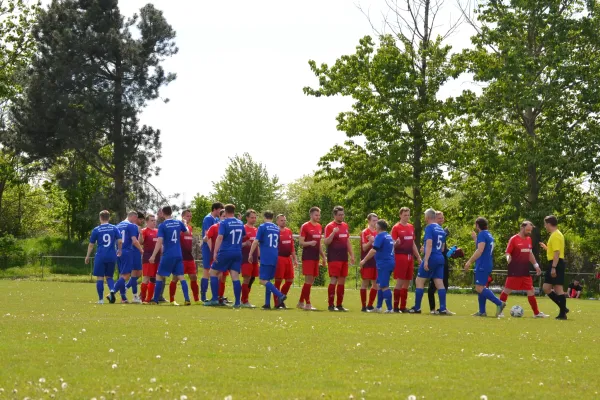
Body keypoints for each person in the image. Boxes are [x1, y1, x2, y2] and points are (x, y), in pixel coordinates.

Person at [499, 221, 548, 318]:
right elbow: (507, 252)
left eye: (530, 230)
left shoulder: (529, 239)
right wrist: (508, 259)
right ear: (522, 228)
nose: (529, 232)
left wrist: (536, 265)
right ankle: (499, 311)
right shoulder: (513, 239)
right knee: (507, 290)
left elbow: (530, 254)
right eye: (528, 230)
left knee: (531, 291)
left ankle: (536, 313)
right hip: (514, 270)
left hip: (525, 270)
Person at [408, 209, 450, 315]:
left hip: (432, 257)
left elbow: (430, 244)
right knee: (439, 282)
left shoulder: (429, 228)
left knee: (419, 281)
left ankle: (417, 307)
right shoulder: (441, 229)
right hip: (441, 257)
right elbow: (442, 248)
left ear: (427, 218)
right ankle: (443, 308)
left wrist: (426, 260)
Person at [148, 206, 192, 306]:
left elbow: (159, 241)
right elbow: (187, 232)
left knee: (159, 275)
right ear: (171, 212)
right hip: (178, 254)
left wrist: (153, 255)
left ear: (163, 214)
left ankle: (155, 300)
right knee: (181, 277)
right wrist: (184, 223)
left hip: (168, 254)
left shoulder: (163, 225)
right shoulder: (178, 222)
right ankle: (187, 299)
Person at [205, 204, 245, 308]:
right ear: (234, 211)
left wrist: (215, 252)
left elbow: (220, 237)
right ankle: (237, 302)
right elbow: (243, 236)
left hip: (225, 252)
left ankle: (214, 299)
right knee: (235, 277)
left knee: (212, 273)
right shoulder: (240, 223)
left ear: (225, 212)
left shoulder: (223, 223)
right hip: (237, 252)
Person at [464, 217, 505, 317]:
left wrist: (469, 261)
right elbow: (483, 248)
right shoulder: (488, 234)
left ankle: (499, 303)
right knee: (481, 287)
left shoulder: (482, 234)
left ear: (477, 225)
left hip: (482, 264)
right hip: (487, 263)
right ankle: (482, 311)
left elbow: (480, 250)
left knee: (479, 288)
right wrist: (475, 239)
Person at [249, 211, 287, 309]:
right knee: (268, 280)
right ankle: (267, 303)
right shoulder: (276, 228)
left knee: (262, 280)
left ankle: (280, 295)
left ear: (264, 217)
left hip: (266, 256)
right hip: (274, 255)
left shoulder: (262, 227)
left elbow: (255, 242)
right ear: (273, 217)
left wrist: (250, 254)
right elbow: (278, 242)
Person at [85, 210, 122, 304]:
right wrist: (119, 250)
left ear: (100, 218)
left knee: (100, 278)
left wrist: (87, 256)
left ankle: (101, 300)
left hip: (100, 255)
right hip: (111, 256)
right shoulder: (114, 228)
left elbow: (91, 245)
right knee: (109, 276)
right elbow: (120, 241)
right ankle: (112, 290)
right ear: (109, 218)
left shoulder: (96, 229)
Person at [324, 206, 355, 312]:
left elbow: (347, 241)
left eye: (343, 214)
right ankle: (331, 305)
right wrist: (333, 232)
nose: (342, 216)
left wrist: (352, 255)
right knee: (334, 279)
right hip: (334, 257)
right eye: (339, 215)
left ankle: (339, 304)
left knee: (342, 280)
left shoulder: (345, 225)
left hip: (343, 257)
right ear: (335, 215)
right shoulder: (330, 226)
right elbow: (326, 242)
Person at [360, 219, 395, 313]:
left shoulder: (380, 236)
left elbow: (374, 250)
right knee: (379, 285)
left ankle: (390, 309)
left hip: (384, 263)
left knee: (384, 286)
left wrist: (364, 260)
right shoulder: (388, 236)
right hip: (389, 262)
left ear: (378, 227)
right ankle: (378, 307)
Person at [391, 207, 422, 313]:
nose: (407, 217)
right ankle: (395, 307)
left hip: (410, 257)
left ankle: (403, 306)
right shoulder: (396, 228)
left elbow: (412, 243)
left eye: (408, 215)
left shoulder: (410, 227)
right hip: (400, 256)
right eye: (405, 215)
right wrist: (396, 244)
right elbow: (392, 245)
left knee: (407, 282)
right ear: (400, 215)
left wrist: (417, 256)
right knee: (400, 281)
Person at [298, 207, 326, 311]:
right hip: (308, 256)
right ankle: (308, 304)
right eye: (316, 215)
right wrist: (310, 243)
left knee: (312, 280)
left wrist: (323, 257)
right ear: (311, 215)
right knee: (308, 280)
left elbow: (319, 245)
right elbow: (301, 243)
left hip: (315, 257)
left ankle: (301, 302)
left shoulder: (319, 226)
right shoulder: (305, 226)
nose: (318, 217)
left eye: (319, 215)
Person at [540, 215, 568, 319]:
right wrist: (546, 248)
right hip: (555, 262)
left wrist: (553, 267)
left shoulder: (555, 235)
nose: (545, 226)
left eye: (545, 224)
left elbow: (557, 252)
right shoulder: (556, 234)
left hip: (556, 263)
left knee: (558, 289)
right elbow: (554, 251)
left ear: (548, 224)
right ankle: (563, 309)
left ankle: (563, 312)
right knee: (547, 288)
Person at [114, 211, 144, 303]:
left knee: (122, 275)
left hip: (118, 251)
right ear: (134, 217)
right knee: (127, 275)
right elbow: (135, 241)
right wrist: (141, 250)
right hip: (128, 251)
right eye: (136, 218)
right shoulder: (132, 226)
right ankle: (113, 291)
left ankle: (123, 298)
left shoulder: (117, 225)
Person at [170, 209, 198, 304]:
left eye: (190, 216)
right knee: (175, 278)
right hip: (180, 257)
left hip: (189, 256)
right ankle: (172, 299)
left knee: (193, 277)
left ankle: (197, 299)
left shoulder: (190, 228)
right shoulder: (178, 227)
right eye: (187, 216)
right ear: (182, 217)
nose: (189, 218)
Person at [427, 211, 453, 314]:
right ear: (434, 219)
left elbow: (443, 249)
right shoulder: (433, 230)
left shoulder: (441, 231)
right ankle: (432, 308)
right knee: (432, 286)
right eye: (439, 218)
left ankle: (443, 307)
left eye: (442, 218)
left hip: (443, 260)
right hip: (435, 259)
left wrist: (451, 252)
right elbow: (430, 245)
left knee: (444, 284)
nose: (441, 220)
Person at [200, 202, 224, 302]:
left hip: (216, 249)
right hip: (208, 249)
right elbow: (208, 236)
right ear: (215, 209)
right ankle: (203, 295)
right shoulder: (208, 218)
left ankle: (217, 296)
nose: (222, 211)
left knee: (218, 272)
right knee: (206, 271)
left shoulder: (217, 219)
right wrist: (212, 251)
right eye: (220, 209)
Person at [206, 210, 229, 304]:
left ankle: (220, 297)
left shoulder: (229, 227)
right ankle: (216, 297)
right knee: (216, 275)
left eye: (226, 216)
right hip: (217, 255)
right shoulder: (214, 227)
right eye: (223, 216)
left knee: (223, 277)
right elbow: (206, 237)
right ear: (219, 217)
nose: (225, 218)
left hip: (227, 255)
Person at [274, 214, 297, 309]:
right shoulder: (275, 231)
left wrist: (295, 258)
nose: (283, 222)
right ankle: (277, 303)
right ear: (277, 222)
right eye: (281, 220)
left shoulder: (289, 231)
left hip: (288, 259)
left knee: (290, 280)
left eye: (284, 220)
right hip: (279, 258)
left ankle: (281, 298)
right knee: (278, 280)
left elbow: (292, 246)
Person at [359, 213, 380, 312]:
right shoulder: (365, 232)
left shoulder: (378, 232)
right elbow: (364, 248)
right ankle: (363, 306)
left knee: (375, 284)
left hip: (376, 260)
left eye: (377, 220)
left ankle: (370, 305)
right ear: (369, 221)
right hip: (367, 260)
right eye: (373, 220)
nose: (375, 222)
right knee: (365, 283)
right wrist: (370, 242)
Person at [140, 214, 161, 303]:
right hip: (148, 257)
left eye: (154, 220)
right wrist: (140, 234)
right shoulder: (144, 231)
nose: (154, 222)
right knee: (146, 278)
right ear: (147, 222)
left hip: (158, 257)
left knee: (154, 278)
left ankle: (149, 299)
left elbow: (160, 243)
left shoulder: (158, 231)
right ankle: (142, 298)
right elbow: (141, 242)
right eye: (152, 220)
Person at [241, 209, 259, 308]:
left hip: (255, 258)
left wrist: (259, 256)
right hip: (245, 257)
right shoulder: (243, 228)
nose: (254, 219)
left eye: (255, 217)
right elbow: (236, 243)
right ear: (247, 218)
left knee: (252, 278)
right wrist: (244, 244)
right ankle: (244, 300)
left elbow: (257, 244)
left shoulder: (256, 230)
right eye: (252, 217)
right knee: (246, 278)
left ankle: (244, 299)